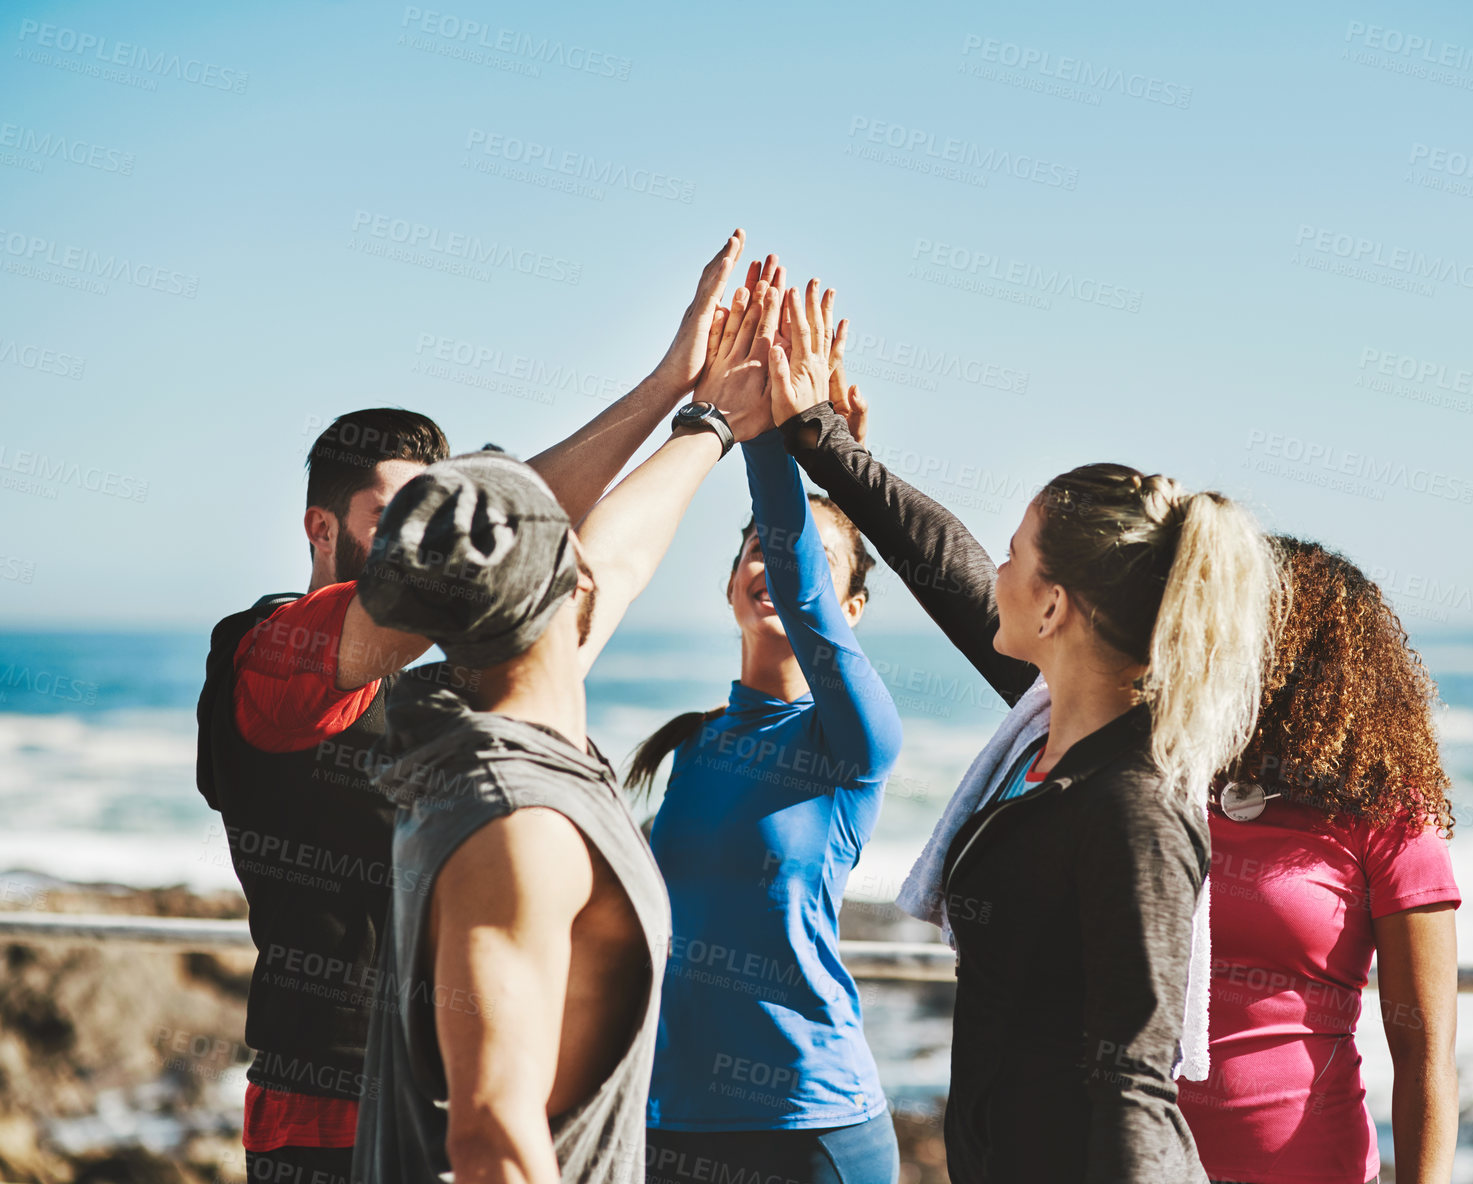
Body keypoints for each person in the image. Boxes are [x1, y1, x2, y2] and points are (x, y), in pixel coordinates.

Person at [195, 229, 755, 1182]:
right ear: (321, 529)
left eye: (438, 511)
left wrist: (706, 421)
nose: (434, 537)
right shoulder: (261, 654)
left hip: (476, 1107)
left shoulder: (468, 674)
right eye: (397, 518)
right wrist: (666, 389)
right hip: (322, 1126)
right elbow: (479, 552)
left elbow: (600, 571)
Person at [765, 285, 1282, 1183]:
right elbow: (946, 565)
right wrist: (824, 442)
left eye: (1016, 554)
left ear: (1054, 606)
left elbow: (1134, 1077)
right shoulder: (1059, 729)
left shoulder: (1135, 807)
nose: (994, 571)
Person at [351, 263, 786, 1183]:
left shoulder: (464, 725)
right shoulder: (519, 822)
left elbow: (615, 563)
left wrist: (707, 418)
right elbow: (493, 1144)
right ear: (571, 585)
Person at [627, 277, 902, 1184]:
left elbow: (803, 581)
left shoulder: (852, 744)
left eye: (818, 570)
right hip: (672, 1123)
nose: (772, 565)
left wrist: (775, 438)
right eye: (753, 547)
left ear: (850, 606)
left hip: (812, 1127)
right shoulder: (692, 748)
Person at [1176, 539, 1460, 1184]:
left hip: (1302, 1164)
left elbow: (1425, 1056)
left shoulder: (1387, 814)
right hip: (1129, 1154)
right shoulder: (1167, 774)